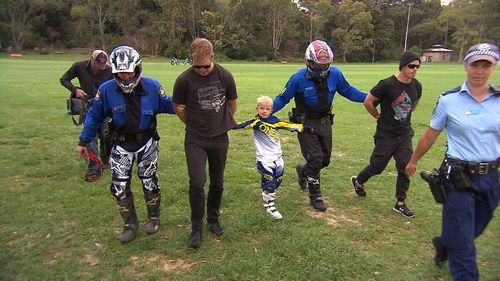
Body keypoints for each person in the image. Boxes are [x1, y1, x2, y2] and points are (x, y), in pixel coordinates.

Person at [406, 43, 499, 281]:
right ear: (466, 65)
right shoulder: (449, 100)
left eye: (485, 65)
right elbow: (430, 134)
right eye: (474, 64)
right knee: (464, 246)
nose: (479, 70)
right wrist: (413, 160)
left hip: (491, 178)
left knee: (473, 228)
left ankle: (445, 245)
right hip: (458, 176)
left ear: (493, 67)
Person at [76, 46, 175, 243]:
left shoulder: (153, 86)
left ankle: (154, 218)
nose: (126, 77)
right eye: (121, 73)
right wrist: (83, 141)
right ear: (114, 71)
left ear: (137, 69)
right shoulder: (106, 90)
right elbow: (94, 116)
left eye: (129, 72)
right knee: (119, 186)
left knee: (149, 181)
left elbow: (172, 105)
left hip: (147, 141)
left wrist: (193, 107)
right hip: (120, 144)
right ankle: (129, 223)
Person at [272, 39, 366, 211]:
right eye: (319, 66)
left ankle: (304, 170)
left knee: (325, 160)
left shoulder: (336, 74)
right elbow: (282, 98)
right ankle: (315, 195)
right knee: (315, 158)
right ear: (308, 62)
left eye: (326, 65)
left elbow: (348, 91)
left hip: (325, 122)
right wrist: (267, 110)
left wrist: (370, 97)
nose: (323, 70)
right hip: (305, 123)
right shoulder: (298, 79)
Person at [172, 38, 238, 248]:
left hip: (219, 138)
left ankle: (213, 219)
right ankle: (196, 226)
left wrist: (218, 122)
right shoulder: (183, 80)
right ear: (191, 60)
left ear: (212, 58)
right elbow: (179, 108)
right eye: (196, 66)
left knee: (217, 182)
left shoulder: (225, 75)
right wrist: (195, 124)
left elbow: (232, 103)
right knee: (197, 182)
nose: (201, 70)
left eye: (205, 66)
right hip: (195, 139)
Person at [350, 51, 422, 218]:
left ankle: (400, 203)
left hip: (404, 134)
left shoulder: (417, 86)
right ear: (402, 66)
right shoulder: (387, 84)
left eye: (417, 67)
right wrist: (377, 115)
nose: (415, 69)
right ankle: (358, 181)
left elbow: (414, 105)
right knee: (377, 166)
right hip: (386, 134)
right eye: (412, 66)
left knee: (404, 167)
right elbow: (368, 101)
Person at [234, 96, 303, 220]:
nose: (264, 111)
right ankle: (270, 206)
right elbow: (240, 126)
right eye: (262, 108)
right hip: (264, 159)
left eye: (267, 109)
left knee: (277, 182)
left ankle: (267, 194)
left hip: (278, 158)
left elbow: (288, 125)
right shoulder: (255, 122)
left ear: (271, 110)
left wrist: (302, 127)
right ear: (257, 109)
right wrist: (224, 125)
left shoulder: (275, 121)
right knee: (270, 183)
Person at [60, 49, 113, 182]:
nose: (100, 68)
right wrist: (75, 90)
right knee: (91, 137)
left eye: (103, 66)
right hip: (88, 105)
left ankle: (106, 159)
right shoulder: (79, 66)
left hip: (104, 106)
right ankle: (93, 165)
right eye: (97, 65)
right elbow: (64, 79)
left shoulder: (109, 71)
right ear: (91, 59)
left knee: (106, 134)